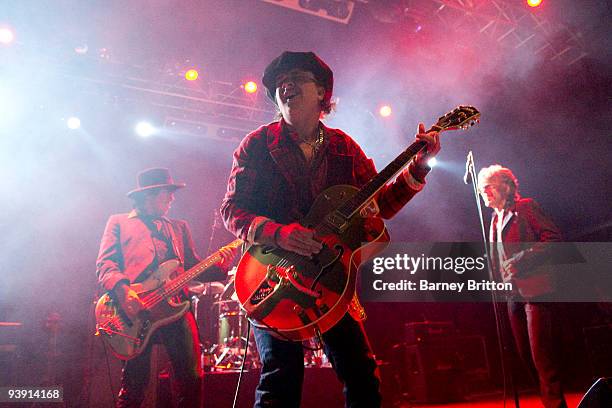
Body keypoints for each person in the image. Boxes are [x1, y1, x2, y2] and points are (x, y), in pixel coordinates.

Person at [221, 51, 441, 407]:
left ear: (323, 93)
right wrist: (280, 233)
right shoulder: (258, 144)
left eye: (296, 77)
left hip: (330, 282)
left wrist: (418, 168)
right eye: (280, 82)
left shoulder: (343, 148)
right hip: (273, 277)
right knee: (280, 378)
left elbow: (380, 205)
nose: (285, 84)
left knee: (361, 374)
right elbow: (232, 211)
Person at [96, 167, 236, 408]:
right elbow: (105, 264)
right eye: (166, 193)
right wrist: (123, 291)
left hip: (177, 310)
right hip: (137, 311)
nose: (172, 198)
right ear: (148, 196)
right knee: (134, 384)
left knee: (191, 379)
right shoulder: (118, 222)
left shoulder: (178, 227)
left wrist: (222, 266)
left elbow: (193, 266)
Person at [478, 164, 567, 408]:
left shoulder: (525, 207)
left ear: (505, 187)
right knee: (525, 356)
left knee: (542, 357)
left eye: (488, 186)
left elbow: (554, 239)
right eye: (481, 188)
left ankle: (555, 404)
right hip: (512, 294)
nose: (483, 191)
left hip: (536, 289)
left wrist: (522, 259)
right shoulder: (494, 222)